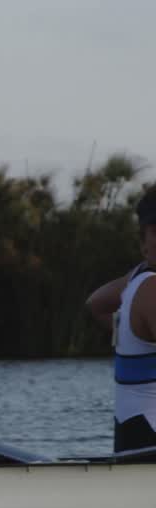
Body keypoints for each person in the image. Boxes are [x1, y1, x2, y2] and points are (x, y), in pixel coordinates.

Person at [86, 186, 156, 452]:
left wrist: (129, 336)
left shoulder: (136, 279)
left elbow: (95, 304)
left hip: (135, 438)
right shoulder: (152, 288)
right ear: (143, 243)